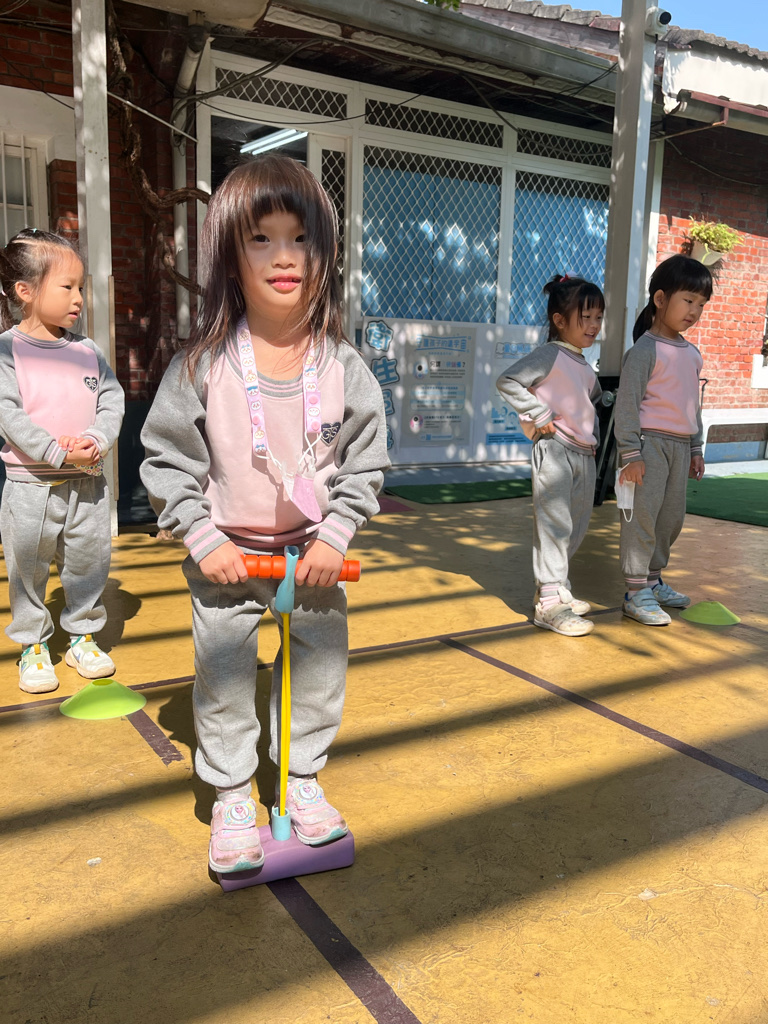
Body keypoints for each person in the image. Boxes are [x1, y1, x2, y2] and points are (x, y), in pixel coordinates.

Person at [141, 156, 389, 874]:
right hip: (228, 558)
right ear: (229, 255)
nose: (284, 256)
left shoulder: (343, 367)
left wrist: (336, 535)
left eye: (301, 238)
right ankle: (232, 793)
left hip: (314, 557)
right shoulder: (202, 366)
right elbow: (165, 461)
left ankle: (302, 776)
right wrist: (200, 535)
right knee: (223, 679)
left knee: (317, 673)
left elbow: (366, 461)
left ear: (325, 256)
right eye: (261, 238)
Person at [0, 228, 125, 693]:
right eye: (67, 286)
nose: (78, 298)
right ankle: (33, 645)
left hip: (88, 484)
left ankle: (82, 637)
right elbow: (8, 413)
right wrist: (56, 451)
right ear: (26, 291)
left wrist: (96, 439)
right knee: (28, 569)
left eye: (81, 287)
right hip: (30, 488)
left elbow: (112, 399)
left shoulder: (87, 351)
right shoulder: (7, 350)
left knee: (88, 563)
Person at [497, 274, 604, 637]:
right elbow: (508, 380)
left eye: (598, 318)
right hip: (555, 450)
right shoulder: (550, 354)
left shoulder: (584, 364)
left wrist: (593, 438)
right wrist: (538, 413)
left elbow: (591, 402)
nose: (594, 325)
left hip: (584, 454)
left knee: (575, 525)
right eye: (585, 317)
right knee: (555, 525)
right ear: (560, 320)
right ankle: (549, 603)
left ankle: (558, 587)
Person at [615, 254, 712, 626]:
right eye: (688, 300)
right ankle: (634, 591)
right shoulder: (643, 351)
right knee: (641, 518)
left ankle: (653, 582)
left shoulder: (692, 354)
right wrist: (631, 453)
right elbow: (627, 406)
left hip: (679, 447)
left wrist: (695, 447)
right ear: (660, 299)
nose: (694, 311)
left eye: (701, 304)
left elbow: (692, 405)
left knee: (670, 519)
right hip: (647, 447)